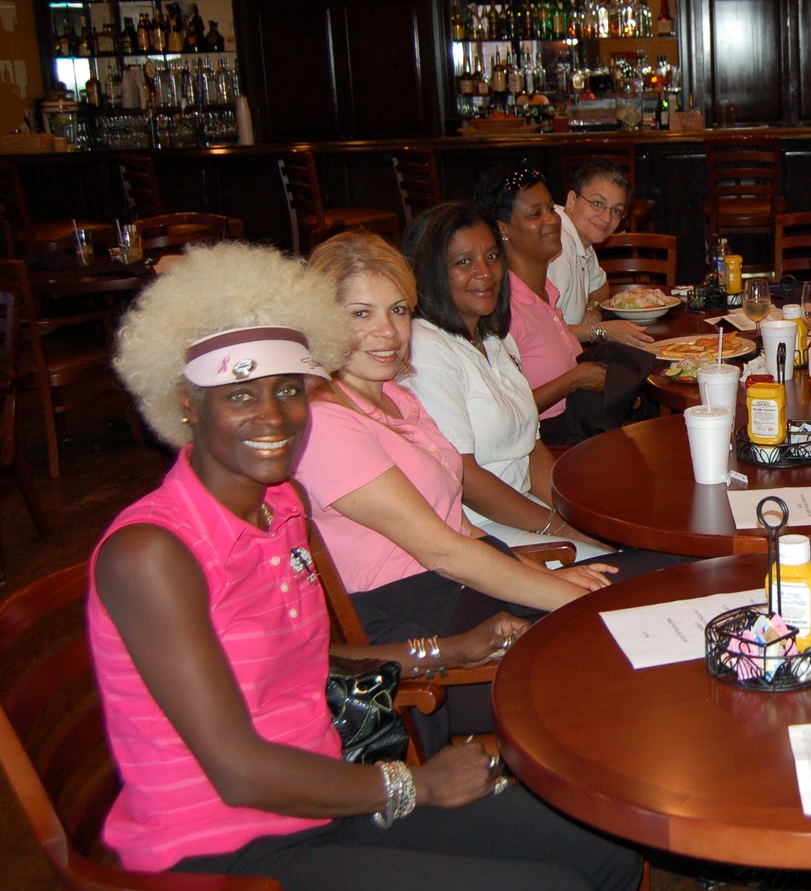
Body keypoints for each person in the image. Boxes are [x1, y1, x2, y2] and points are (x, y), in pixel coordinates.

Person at [93, 241, 640, 890]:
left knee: (605, 847)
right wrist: (413, 785)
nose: (273, 416)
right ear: (186, 402)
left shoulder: (279, 506)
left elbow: (304, 661)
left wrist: (443, 650)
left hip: (327, 797)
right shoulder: (152, 553)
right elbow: (238, 772)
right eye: (240, 394)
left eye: (288, 389)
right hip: (229, 850)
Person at [296, 231, 612, 639]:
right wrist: (574, 597)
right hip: (412, 614)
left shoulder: (397, 397)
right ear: (320, 321)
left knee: (634, 578)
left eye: (397, 310)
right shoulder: (325, 421)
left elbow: (462, 529)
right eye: (361, 314)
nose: (388, 331)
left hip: (455, 583)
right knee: (617, 615)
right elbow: (441, 551)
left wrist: (547, 575)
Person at [398, 202, 609, 559]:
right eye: (463, 262)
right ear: (431, 273)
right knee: (617, 567)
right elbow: (464, 478)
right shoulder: (427, 349)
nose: (485, 272)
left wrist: (577, 513)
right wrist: (560, 528)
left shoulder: (494, 338)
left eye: (492, 257)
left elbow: (530, 448)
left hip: (524, 510)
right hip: (476, 528)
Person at [482, 165, 653, 445]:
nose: (552, 220)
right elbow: (502, 415)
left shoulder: (546, 294)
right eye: (535, 214)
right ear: (503, 229)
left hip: (578, 425)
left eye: (551, 209)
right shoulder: (503, 308)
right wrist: (577, 378)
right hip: (549, 444)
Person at [547, 161, 652, 346]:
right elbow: (545, 333)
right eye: (597, 204)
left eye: (616, 211)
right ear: (571, 201)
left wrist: (592, 309)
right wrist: (601, 330)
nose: (606, 218)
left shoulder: (582, 239)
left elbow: (601, 288)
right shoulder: (560, 245)